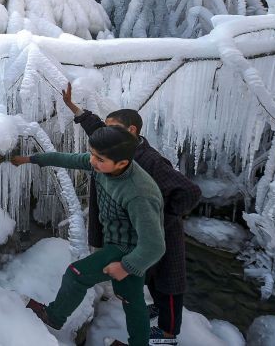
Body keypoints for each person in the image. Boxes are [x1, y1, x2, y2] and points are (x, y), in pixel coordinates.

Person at [62, 84, 201, 345]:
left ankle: (168, 334)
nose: (105, 133)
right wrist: (74, 108)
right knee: (147, 275)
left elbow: (189, 191)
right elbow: (95, 128)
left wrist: (164, 217)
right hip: (137, 230)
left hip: (160, 233)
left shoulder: (150, 160)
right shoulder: (118, 146)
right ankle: (157, 310)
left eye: (111, 128)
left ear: (131, 131)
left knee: (167, 282)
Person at [12, 126, 165, 346]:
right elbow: (69, 159)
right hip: (118, 241)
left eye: (99, 158)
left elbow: (154, 245)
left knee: (76, 275)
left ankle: (54, 317)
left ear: (122, 163)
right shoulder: (103, 165)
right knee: (132, 300)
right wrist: (31, 159)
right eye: (92, 154)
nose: (92, 161)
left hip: (129, 249)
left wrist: (125, 267)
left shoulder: (139, 193)